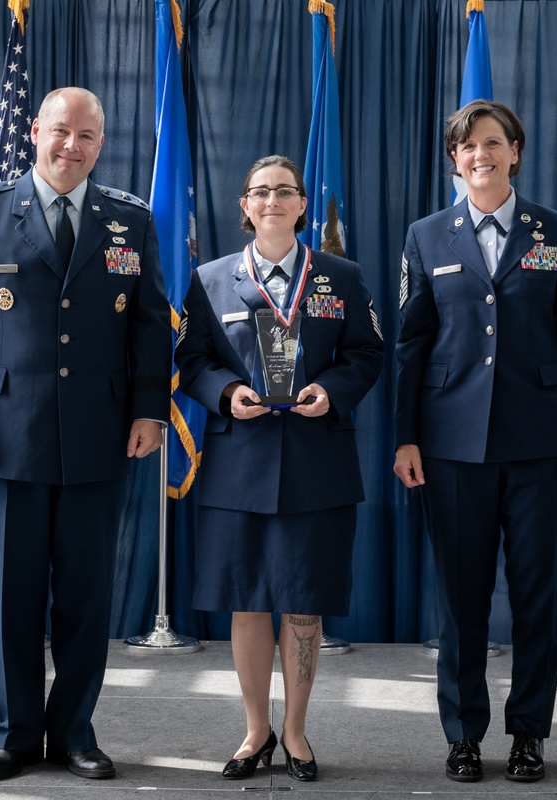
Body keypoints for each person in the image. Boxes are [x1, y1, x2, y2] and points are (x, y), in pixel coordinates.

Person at [0, 87, 171, 781]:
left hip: (100, 436)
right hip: (3, 436)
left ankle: (74, 734)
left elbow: (151, 323)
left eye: (86, 137)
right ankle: (15, 734)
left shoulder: (130, 221)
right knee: (13, 597)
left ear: (102, 143)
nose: (71, 147)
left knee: (88, 599)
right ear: (34, 131)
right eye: (60, 131)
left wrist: (151, 411)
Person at [393, 100, 557, 783]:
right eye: (465, 147)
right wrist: (406, 440)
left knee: (540, 595)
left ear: (515, 150)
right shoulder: (427, 236)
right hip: (451, 448)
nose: (479, 155)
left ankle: (529, 733)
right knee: (461, 598)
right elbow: (411, 349)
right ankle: (463, 733)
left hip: (544, 446)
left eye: (492, 143)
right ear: (453, 159)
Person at [174, 155, 383, 783]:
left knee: (302, 604)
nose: (271, 201)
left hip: (316, 461)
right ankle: (255, 730)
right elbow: (192, 357)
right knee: (246, 601)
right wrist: (223, 394)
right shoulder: (210, 279)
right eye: (260, 192)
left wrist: (333, 391)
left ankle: (294, 732)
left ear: (301, 205)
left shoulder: (341, 276)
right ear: (244, 204)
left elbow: (368, 353)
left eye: (284, 192)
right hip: (240, 462)